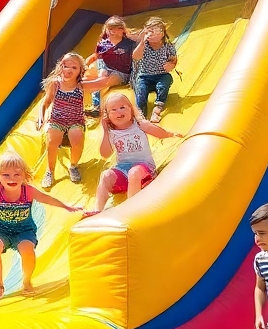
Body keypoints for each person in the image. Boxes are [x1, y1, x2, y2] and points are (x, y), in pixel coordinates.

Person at [0, 152, 86, 300]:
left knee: (27, 250)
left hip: (24, 230)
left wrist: (67, 206)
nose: (12, 179)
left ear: (24, 175)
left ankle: (27, 280)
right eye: (6, 175)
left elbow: (47, 198)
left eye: (17, 174)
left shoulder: (28, 191)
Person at [92, 93, 182, 213]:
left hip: (144, 168)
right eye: (113, 110)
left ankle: (131, 209)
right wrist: (105, 131)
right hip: (123, 170)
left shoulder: (139, 125)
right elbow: (105, 154)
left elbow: (159, 133)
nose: (119, 111)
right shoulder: (111, 132)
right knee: (106, 175)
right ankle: (97, 211)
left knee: (133, 173)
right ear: (107, 116)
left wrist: (171, 134)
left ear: (131, 109)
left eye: (122, 107)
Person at [36, 52, 88, 188]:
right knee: (52, 140)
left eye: (74, 68)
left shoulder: (81, 86)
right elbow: (45, 102)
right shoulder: (55, 84)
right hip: (57, 119)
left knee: (76, 138)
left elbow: (100, 83)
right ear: (61, 67)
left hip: (75, 120)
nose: (68, 70)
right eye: (65, 66)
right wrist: (41, 118)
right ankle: (50, 170)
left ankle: (73, 166)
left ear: (80, 71)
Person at [83, 16, 137, 116]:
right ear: (107, 30)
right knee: (101, 75)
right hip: (106, 67)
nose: (114, 31)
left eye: (117, 29)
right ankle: (95, 104)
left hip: (122, 72)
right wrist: (85, 64)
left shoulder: (129, 44)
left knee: (105, 81)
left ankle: (93, 101)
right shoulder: (104, 44)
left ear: (122, 30)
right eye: (111, 29)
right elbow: (96, 56)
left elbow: (139, 53)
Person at [132, 16, 179, 122]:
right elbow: (136, 57)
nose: (152, 34)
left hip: (161, 75)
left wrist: (172, 64)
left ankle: (157, 109)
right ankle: (141, 113)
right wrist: (142, 42)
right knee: (141, 89)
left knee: (164, 82)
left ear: (162, 33)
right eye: (149, 31)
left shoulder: (168, 46)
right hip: (145, 76)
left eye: (155, 31)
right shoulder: (145, 46)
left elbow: (174, 59)